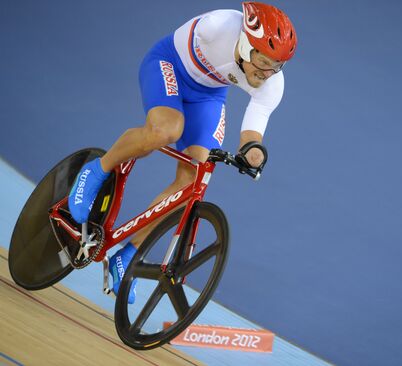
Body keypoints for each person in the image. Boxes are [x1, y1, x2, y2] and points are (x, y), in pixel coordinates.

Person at [68, 2, 297, 303]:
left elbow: (252, 132)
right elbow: (180, 49)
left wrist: (252, 150)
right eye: (264, 61)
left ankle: (128, 255)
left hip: (209, 95)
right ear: (244, 44)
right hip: (169, 64)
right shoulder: (216, 27)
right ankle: (97, 170)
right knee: (166, 130)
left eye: (277, 65)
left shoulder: (273, 83)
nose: (268, 72)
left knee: (193, 183)